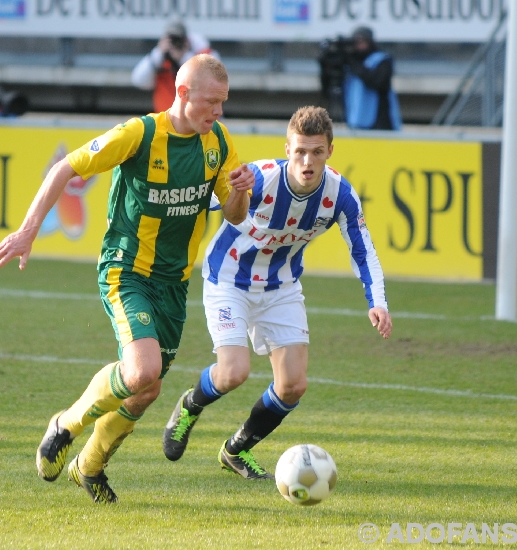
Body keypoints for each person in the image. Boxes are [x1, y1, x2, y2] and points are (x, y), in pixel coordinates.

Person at [0, 54, 254, 503]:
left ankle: (88, 467)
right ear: (182, 94)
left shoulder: (218, 143)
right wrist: (28, 230)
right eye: (212, 102)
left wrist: (239, 192)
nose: (219, 112)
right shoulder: (141, 133)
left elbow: (234, 214)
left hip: (174, 283)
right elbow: (65, 167)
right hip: (126, 271)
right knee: (142, 370)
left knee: (147, 389)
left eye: (223, 102)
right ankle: (65, 424)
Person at [162, 105, 392, 479]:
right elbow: (195, 201)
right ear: (287, 149)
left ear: (329, 151)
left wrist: (377, 302)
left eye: (316, 152)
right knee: (233, 373)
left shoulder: (339, 195)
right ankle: (190, 404)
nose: (308, 161)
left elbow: (363, 249)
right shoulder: (259, 178)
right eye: (300, 151)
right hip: (229, 281)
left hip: (281, 287)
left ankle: (236, 450)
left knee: (293, 386)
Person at [131, 20, 218, 113]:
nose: (175, 44)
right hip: (166, 121)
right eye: (172, 40)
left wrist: (184, 58)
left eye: (178, 40)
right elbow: (139, 81)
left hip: (194, 121)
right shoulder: (159, 60)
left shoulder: (197, 57)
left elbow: (214, 79)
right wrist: (158, 53)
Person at [342, 27, 402, 131]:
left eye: (361, 42)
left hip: (379, 120)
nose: (358, 46)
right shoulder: (349, 64)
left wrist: (354, 63)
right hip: (355, 120)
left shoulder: (382, 60)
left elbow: (378, 82)